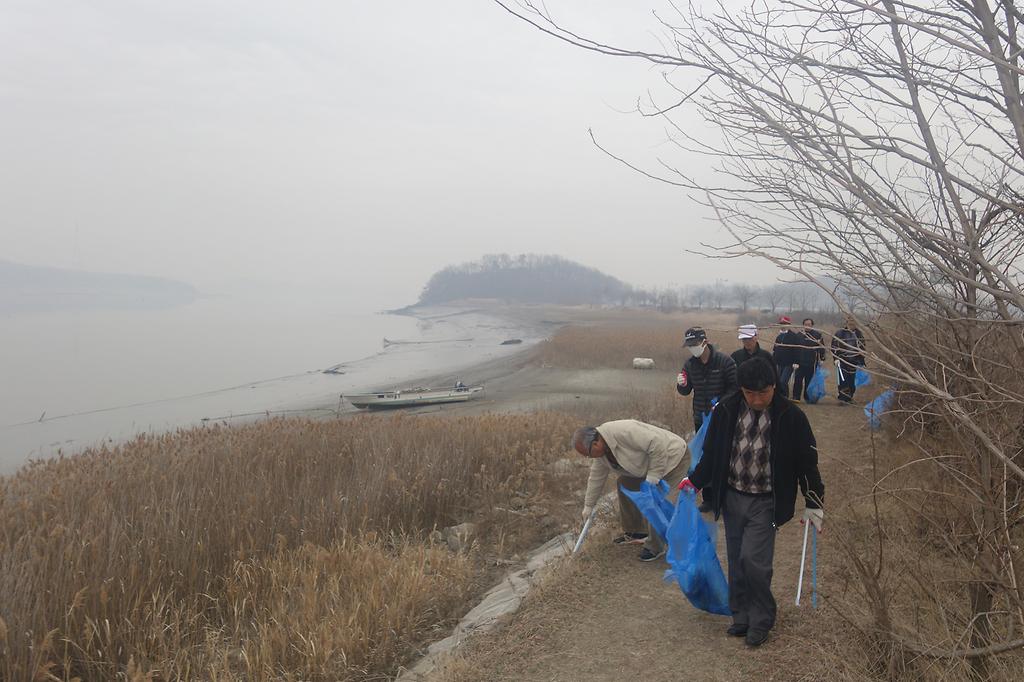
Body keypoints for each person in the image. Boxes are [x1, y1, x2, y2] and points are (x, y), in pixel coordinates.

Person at [679, 357, 824, 647]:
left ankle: (761, 619)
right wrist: (694, 481)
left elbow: (807, 462)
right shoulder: (727, 410)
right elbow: (712, 454)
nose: (757, 399)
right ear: (741, 389)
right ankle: (741, 616)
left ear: (774, 386)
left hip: (766, 500)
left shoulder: (791, 417)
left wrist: (814, 501)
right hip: (732, 495)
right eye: (750, 393)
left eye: (763, 393)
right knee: (736, 558)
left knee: (754, 561)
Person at [573, 420, 689, 562]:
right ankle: (636, 531)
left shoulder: (623, 430)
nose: (589, 458)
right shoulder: (601, 454)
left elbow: (657, 444)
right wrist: (589, 505)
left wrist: (653, 477)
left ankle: (655, 547)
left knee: (658, 500)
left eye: (588, 454)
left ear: (596, 443)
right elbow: (596, 477)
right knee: (625, 483)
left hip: (673, 459)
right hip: (648, 466)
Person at [677, 326, 738, 513]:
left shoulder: (724, 362)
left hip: (722, 417)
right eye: (689, 346)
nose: (692, 349)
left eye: (695, 344)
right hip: (700, 417)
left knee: (725, 455)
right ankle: (709, 498)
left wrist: (722, 403)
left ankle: (726, 494)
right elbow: (686, 391)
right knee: (704, 456)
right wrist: (681, 385)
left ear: (705, 342)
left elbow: (735, 387)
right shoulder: (690, 365)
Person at [831, 316, 866, 404]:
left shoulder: (859, 334)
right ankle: (842, 398)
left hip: (854, 361)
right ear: (846, 323)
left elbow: (863, 347)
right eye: (850, 323)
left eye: (854, 323)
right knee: (843, 380)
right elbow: (834, 346)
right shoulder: (840, 333)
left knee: (851, 382)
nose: (852, 325)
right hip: (842, 360)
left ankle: (849, 397)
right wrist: (835, 358)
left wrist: (862, 358)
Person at [791, 319, 825, 403]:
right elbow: (795, 349)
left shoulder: (817, 335)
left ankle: (808, 397)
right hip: (800, 362)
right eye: (805, 324)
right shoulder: (799, 335)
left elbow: (821, 348)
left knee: (809, 381)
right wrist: (795, 361)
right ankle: (796, 397)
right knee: (798, 380)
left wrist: (822, 358)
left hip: (812, 363)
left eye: (809, 324)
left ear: (812, 325)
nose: (807, 326)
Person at [772, 316, 798, 398]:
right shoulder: (779, 336)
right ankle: (781, 397)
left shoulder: (794, 336)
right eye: (781, 324)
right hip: (779, 363)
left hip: (789, 363)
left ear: (789, 324)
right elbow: (775, 349)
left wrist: (796, 362)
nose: (783, 325)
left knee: (783, 381)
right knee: (778, 382)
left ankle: (785, 397)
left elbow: (797, 350)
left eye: (785, 324)